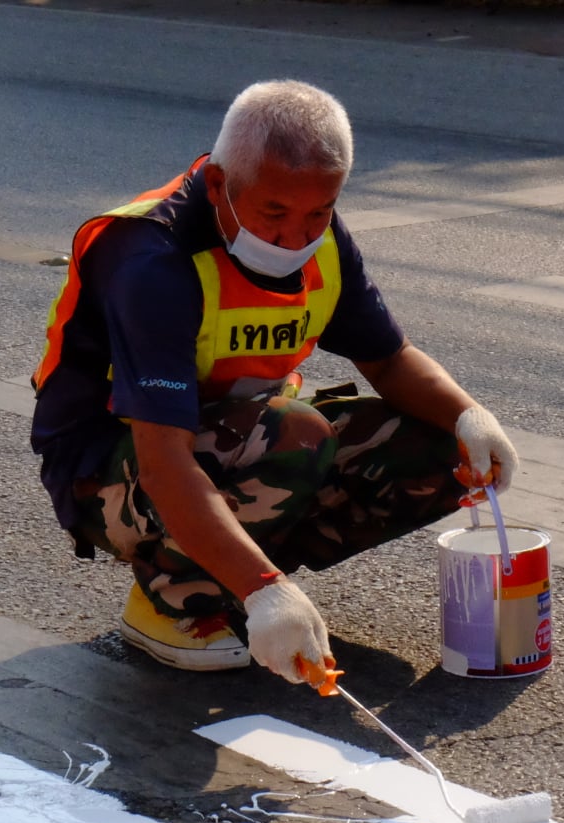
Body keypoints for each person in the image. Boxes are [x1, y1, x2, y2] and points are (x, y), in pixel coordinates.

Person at [29, 80, 517, 685]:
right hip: (107, 467)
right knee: (296, 434)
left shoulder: (323, 239)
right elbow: (163, 464)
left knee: (439, 448)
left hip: (236, 438)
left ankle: (238, 573)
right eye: (275, 214)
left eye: (320, 211)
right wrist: (264, 590)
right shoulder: (152, 260)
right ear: (219, 187)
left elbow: (389, 361)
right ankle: (174, 600)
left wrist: (471, 419)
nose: (297, 236)